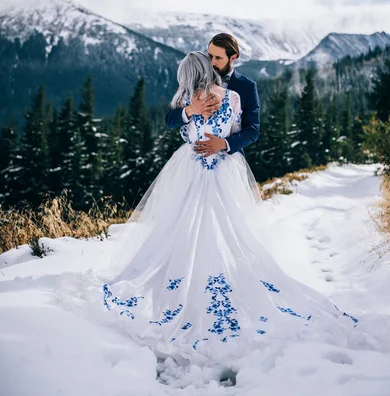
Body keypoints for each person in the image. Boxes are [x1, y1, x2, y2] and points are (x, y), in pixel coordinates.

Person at [96, 50, 375, 363]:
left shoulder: (190, 98)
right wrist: (197, 116)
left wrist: (199, 120)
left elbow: (178, 124)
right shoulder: (229, 98)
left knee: (187, 229)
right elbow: (199, 122)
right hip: (224, 169)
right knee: (223, 229)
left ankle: (192, 286)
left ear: (186, 76)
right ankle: (216, 279)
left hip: (193, 168)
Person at [165, 33, 260, 158]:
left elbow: (252, 130)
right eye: (210, 56)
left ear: (233, 58)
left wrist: (224, 144)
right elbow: (169, 121)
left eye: (218, 58)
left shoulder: (247, 86)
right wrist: (189, 110)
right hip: (192, 159)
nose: (212, 62)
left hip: (227, 161)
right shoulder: (193, 81)